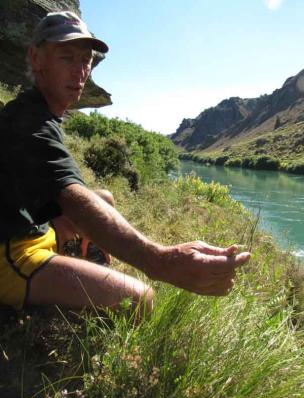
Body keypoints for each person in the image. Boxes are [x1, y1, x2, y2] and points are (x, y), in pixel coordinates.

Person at [0, 11, 250, 315]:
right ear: (36, 58)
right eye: (67, 58)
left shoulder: (39, 110)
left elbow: (46, 188)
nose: (80, 71)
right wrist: (161, 261)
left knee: (104, 198)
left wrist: (60, 214)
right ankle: (52, 312)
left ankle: (84, 277)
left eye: (85, 60)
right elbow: (74, 199)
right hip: (11, 252)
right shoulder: (29, 124)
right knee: (140, 299)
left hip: (33, 225)